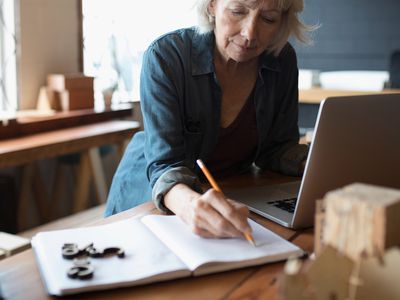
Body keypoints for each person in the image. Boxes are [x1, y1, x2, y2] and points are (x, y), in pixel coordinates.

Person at [105, 0, 314, 239]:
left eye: (268, 19)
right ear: (212, 5)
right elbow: (165, 166)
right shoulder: (166, 57)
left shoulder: (281, 59)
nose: (250, 33)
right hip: (153, 197)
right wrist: (189, 205)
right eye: (237, 11)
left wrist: (313, 163)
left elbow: (275, 149)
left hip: (228, 194)